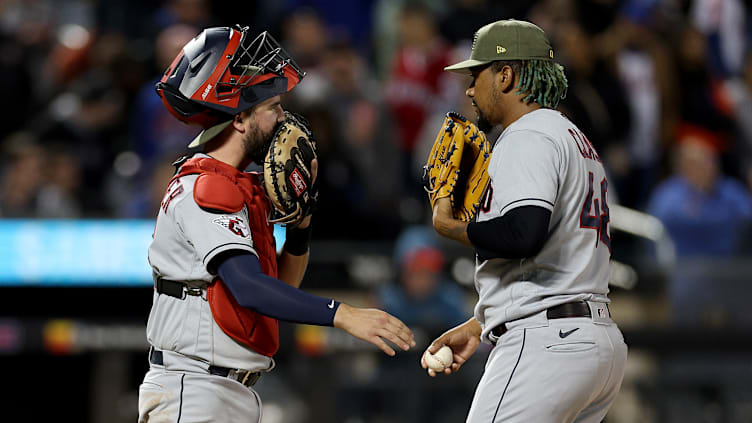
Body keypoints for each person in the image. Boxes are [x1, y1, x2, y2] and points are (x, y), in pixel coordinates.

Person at [138, 25, 415, 423]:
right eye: (273, 108)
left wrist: (301, 224)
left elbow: (279, 289)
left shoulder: (239, 187)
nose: (284, 119)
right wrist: (344, 314)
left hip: (224, 390)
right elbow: (249, 288)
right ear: (239, 119)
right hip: (195, 389)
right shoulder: (208, 187)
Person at [421, 20, 628, 422]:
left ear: (505, 75)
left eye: (475, 75)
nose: (468, 89)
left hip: (547, 347)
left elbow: (523, 234)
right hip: (592, 341)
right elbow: (553, 255)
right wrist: (481, 325)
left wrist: (450, 227)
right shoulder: (572, 136)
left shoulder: (527, 134)